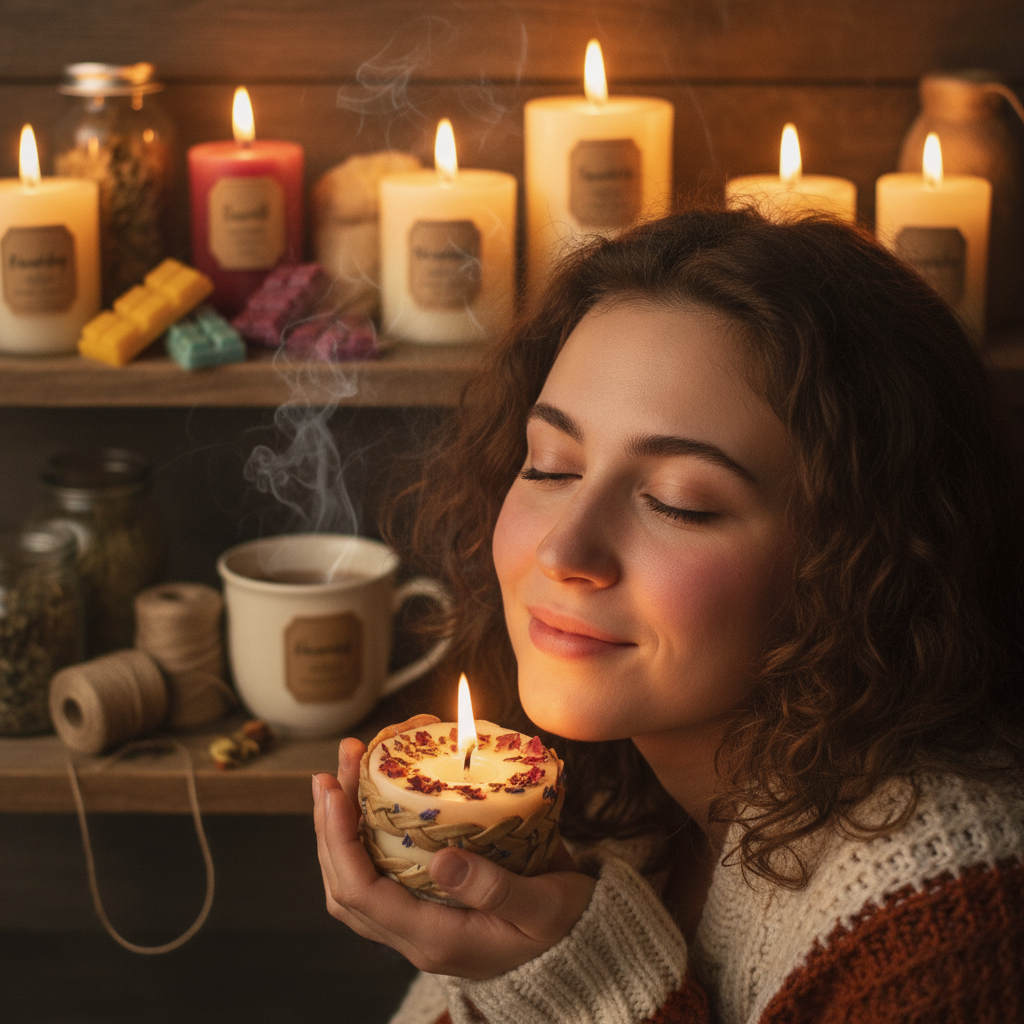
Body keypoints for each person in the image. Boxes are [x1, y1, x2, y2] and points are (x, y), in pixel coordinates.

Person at [312, 208, 1024, 1024]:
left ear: (866, 558)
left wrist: (581, 986)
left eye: (678, 503)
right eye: (550, 467)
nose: (564, 550)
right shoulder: (612, 812)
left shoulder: (954, 917)